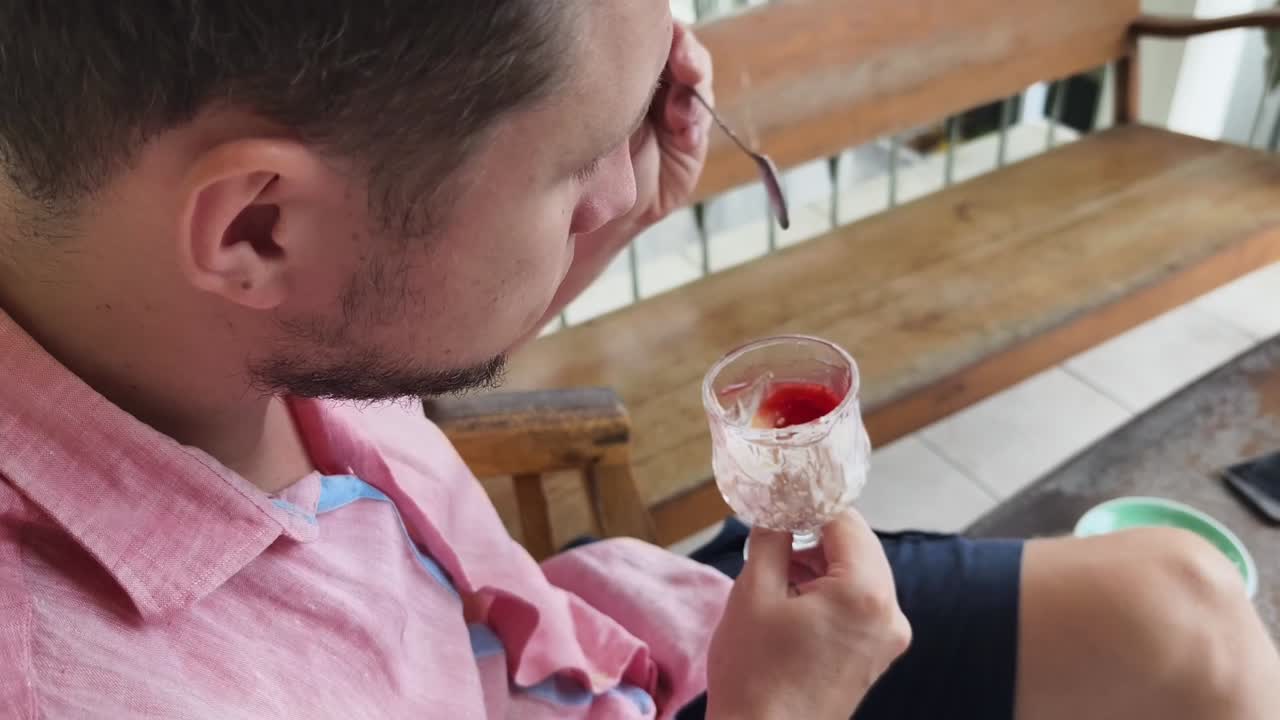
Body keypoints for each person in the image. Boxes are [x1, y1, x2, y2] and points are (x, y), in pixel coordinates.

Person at [0, 2, 1276, 718]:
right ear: (261, 226)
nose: (630, 177)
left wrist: (607, 202)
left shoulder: (158, 304)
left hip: (621, 647)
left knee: (1178, 606)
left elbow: (377, 296)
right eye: (578, 170)